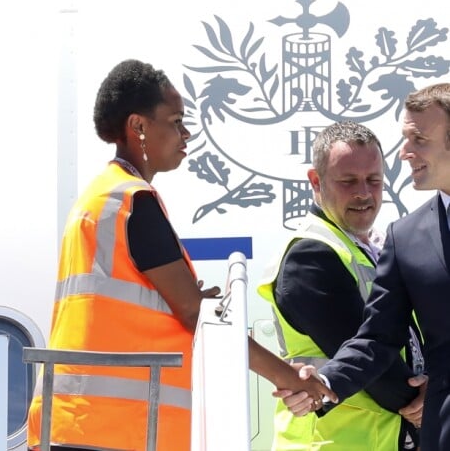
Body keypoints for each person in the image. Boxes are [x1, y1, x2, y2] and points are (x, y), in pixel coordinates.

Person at [26, 59, 334, 451]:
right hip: (116, 430)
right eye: (175, 121)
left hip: (77, 423)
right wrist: (290, 378)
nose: (186, 134)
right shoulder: (133, 200)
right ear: (138, 126)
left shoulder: (101, 196)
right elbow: (193, 314)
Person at [283, 82, 450, 451]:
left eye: (418, 139)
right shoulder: (406, 237)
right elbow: (377, 337)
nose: (404, 152)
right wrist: (325, 384)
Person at [258, 121, 425, 450]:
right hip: (332, 442)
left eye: (373, 180)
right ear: (315, 182)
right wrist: (427, 401)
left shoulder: (370, 250)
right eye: (348, 181)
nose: (363, 193)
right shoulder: (310, 255)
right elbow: (368, 357)